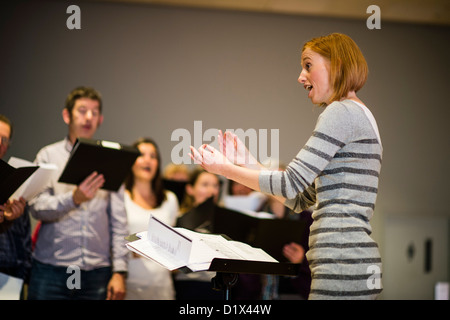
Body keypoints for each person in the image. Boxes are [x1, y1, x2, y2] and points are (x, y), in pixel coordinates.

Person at [191, 33, 383, 300]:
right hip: (347, 260)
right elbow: (298, 198)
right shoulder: (359, 114)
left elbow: (290, 182)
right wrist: (247, 161)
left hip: (341, 259)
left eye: (308, 65)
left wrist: (223, 169)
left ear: (336, 64)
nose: (300, 77)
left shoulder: (340, 112)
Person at [27, 87, 128, 300]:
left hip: (97, 272)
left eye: (94, 112)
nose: (88, 117)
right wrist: (73, 199)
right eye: (82, 110)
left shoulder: (112, 158)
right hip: (51, 269)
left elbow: (119, 222)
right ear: (67, 115)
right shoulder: (48, 155)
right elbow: (36, 207)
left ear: (100, 119)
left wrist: (119, 272)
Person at [123, 138, 179, 300]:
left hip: (163, 285)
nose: (148, 160)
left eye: (153, 156)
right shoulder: (120, 197)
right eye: (141, 155)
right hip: (130, 284)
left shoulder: (170, 199)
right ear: (131, 161)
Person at [174, 167, 223, 300]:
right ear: (190, 189)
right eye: (205, 185)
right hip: (187, 284)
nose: (211, 191)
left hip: (217, 285)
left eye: (215, 186)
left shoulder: (226, 219)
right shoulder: (179, 218)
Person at [0, 114, 30, 298]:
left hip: (9, 276)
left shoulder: (12, 179)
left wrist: (9, 220)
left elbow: (24, 241)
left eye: (4, 140)